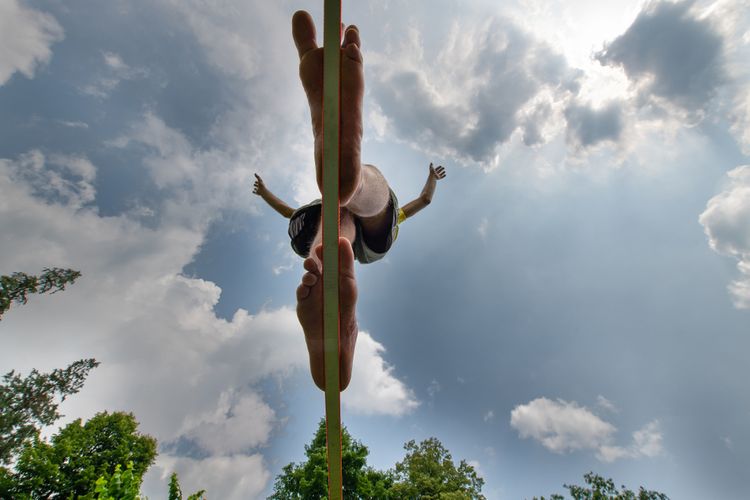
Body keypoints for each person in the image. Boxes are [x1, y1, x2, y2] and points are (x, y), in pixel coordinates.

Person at [252, 10, 445, 391]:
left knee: (334, 216)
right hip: (370, 236)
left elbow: (288, 213)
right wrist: (430, 182)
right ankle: (351, 184)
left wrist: (265, 195)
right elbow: (422, 201)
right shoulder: (389, 220)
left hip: (328, 223)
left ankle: (346, 190)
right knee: (366, 201)